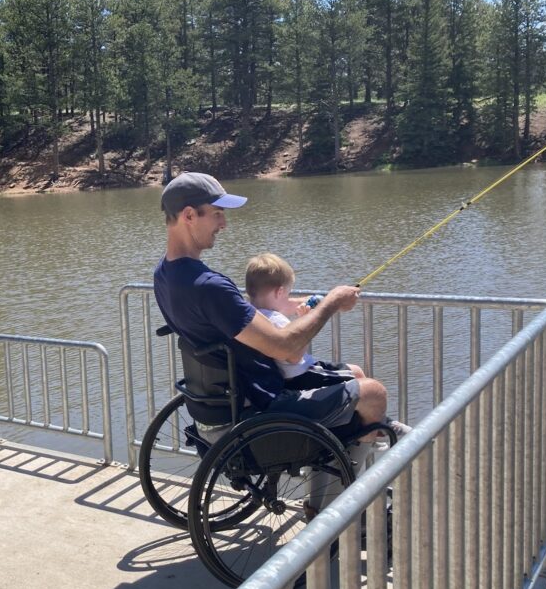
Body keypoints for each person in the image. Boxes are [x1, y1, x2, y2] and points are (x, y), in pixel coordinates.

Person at [153, 172, 403, 463]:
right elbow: (286, 347)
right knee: (373, 393)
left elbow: (230, 315)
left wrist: (280, 306)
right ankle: (348, 502)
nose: (224, 224)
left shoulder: (165, 275)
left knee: (355, 375)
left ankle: (325, 497)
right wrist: (332, 302)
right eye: (217, 214)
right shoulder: (208, 286)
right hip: (261, 408)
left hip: (226, 402)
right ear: (188, 215)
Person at [245, 252, 366, 389]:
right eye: (287, 294)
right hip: (301, 375)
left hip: (281, 378)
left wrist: (321, 300)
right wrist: (303, 320)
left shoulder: (251, 317)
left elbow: (286, 305)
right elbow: (295, 354)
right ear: (279, 292)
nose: (288, 298)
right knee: (358, 374)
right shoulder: (276, 319)